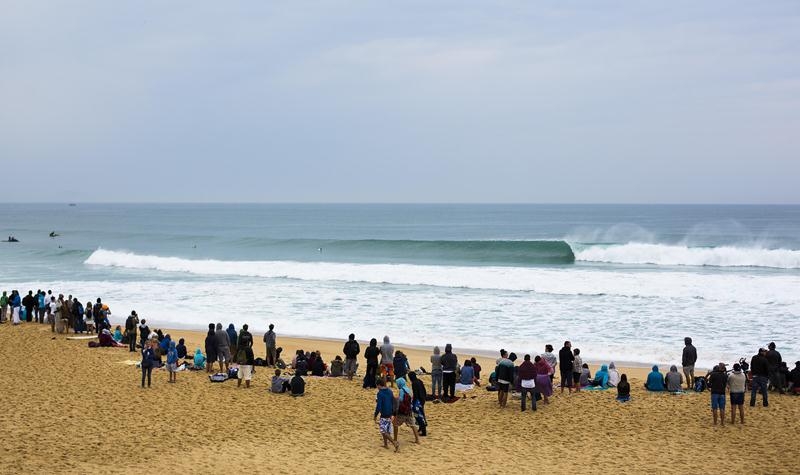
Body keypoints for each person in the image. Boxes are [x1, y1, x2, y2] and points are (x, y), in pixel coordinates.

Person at [373, 378, 399, 452]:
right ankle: (385, 444)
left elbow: (379, 406)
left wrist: (375, 415)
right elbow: (392, 402)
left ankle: (394, 443)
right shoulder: (390, 391)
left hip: (384, 413)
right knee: (386, 430)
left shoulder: (380, 393)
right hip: (390, 413)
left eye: (377, 386)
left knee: (383, 430)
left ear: (379, 385)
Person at [394, 377, 420, 445]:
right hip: (409, 410)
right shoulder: (409, 389)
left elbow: (401, 400)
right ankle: (417, 440)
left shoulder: (402, 390)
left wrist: (396, 399)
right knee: (412, 425)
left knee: (395, 424)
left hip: (402, 411)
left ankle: (395, 439)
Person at [407, 372, 428, 436]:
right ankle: (421, 428)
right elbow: (424, 390)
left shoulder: (414, 383)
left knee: (419, 415)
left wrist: (413, 402)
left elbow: (415, 394)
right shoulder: (419, 381)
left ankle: (423, 431)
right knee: (421, 413)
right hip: (422, 399)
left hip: (418, 400)